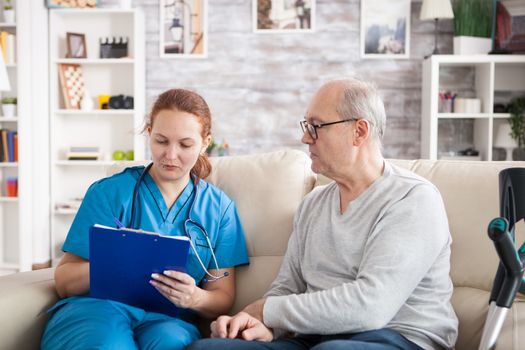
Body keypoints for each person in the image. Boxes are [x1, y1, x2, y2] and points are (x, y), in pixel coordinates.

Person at [186, 79, 458, 350]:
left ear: (359, 132)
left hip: (395, 337)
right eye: (306, 127)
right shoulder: (313, 204)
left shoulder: (412, 199)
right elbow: (287, 286)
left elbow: (371, 307)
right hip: (314, 338)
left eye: (316, 127)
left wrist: (267, 310)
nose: (305, 138)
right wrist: (263, 325)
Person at [41, 89, 249, 350]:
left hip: (169, 319)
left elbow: (223, 297)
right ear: (149, 132)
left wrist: (194, 297)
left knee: (170, 343)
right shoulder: (109, 192)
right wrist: (117, 258)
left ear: (205, 142)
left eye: (185, 145)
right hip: (99, 309)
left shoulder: (220, 209)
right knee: (108, 344)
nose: (171, 155)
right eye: (161, 141)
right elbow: (64, 282)